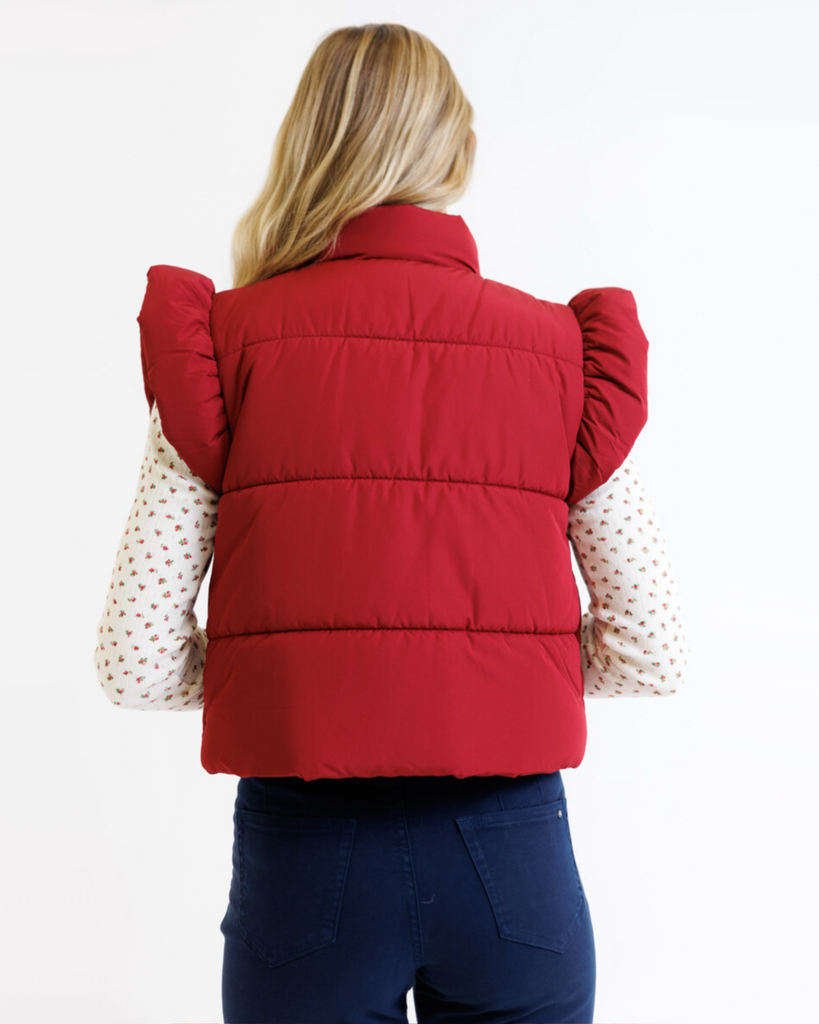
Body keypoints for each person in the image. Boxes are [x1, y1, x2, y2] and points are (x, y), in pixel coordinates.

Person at [93, 22, 691, 1024]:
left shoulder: (222, 347)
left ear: (309, 147)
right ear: (456, 154)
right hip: (512, 859)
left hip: (307, 859)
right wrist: (488, 666)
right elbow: (656, 648)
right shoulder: (560, 355)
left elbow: (134, 658)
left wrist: (298, 675)